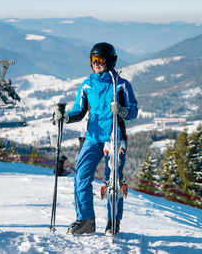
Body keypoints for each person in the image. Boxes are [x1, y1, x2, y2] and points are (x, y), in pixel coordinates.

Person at [53, 42, 138, 235]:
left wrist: (123, 111)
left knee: (113, 182)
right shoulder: (87, 84)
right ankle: (85, 221)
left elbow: (133, 112)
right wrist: (66, 117)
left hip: (114, 138)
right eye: (93, 59)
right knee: (81, 178)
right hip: (92, 138)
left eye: (100, 60)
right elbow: (79, 110)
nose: (96, 64)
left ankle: (113, 222)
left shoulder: (122, 85)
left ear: (110, 61)